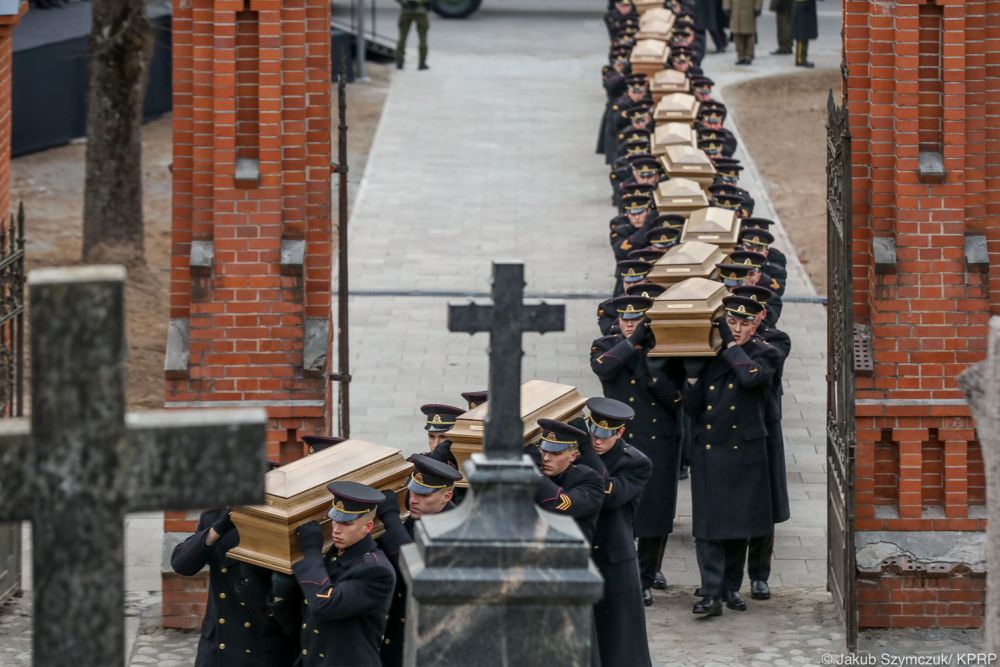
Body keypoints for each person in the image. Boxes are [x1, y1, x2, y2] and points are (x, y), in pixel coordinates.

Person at [682, 296, 782, 617]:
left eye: (743, 323)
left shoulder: (765, 354)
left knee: (740, 525)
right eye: (731, 322)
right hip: (710, 449)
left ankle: (730, 588)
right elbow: (692, 409)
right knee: (709, 527)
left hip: (746, 451)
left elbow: (750, 377)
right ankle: (710, 592)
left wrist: (729, 347)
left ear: (755, 326)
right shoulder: (711, 354)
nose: (736, 329)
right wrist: (693, 380)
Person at [590, 296, 685, 607]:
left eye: (637, 320)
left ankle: (647, 575)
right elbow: (604, 370)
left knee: (656, 511)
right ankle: (624, 571)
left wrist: (652, 358)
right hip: (619, 439)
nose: (630, 324)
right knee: (619, 508)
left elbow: (674, 393)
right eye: (625, 319)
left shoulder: (664, 348)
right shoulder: (606, 345)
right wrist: (632, 343)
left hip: (659, 438)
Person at [272, 481, 396, 666]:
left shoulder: (377, 571)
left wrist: (312, 551)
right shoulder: (332, 556)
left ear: (368, 527)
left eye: (346, 524)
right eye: (335, 520)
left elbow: (324, 603)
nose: (336, 529)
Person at [171, 497, 297, 666]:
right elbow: (181, 564)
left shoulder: (279, 521)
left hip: (260, 642)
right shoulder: (214, 516)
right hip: (217, 645)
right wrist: (215, 531)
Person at [576, 397, 652, 667]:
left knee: (619, 639)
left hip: (612, 559)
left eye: (604, 435)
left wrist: (584, 451)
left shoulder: (635, 463)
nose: (597, 440)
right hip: (581, 554)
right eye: (592, 432)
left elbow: (606, 494)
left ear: (620, 433)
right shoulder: (578, 453)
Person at [730, 286, 792, 600]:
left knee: (763, 504)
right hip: (730, 430)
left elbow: (758, 372)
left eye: (748, 317)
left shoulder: (775, 341)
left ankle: (759, 574)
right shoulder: (727, 337)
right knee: (734, 505)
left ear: (761, 316)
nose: (740, 324)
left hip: (763, 428)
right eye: (733, 317)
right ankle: (730, 577)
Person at [377, 455, 462, 667]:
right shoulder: (416, 520)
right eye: (412, 490)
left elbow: (415, 570)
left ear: (447, 496)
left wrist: (390, 520)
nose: (413, 499)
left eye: (424, 495)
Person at [529, 418, 605, 542]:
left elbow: (558, 504)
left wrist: (534, 472)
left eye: (556, 453)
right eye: (544, 450)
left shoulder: (590, 480)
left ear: (572, 456)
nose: (546, 458)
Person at [722, 0, 763, 65]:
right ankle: (740, 56)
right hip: (735, 11)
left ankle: (748, 56)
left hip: (750, 10)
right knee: (737, 35)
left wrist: (758, 7)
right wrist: (726, 6)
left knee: (749, 34)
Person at [396, 0, 430, 71]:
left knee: (402, 37)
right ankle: (422, 62)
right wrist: (420, 3)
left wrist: (404, 3)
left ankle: (399, 62)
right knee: (423, 38)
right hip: (420, 11)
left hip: (406, 10)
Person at [792, 0, 818, 67]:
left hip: (806, 5)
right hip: (802, 5)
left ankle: (802, 58)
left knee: (805, 33)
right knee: (801, 34)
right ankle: (800, 59)